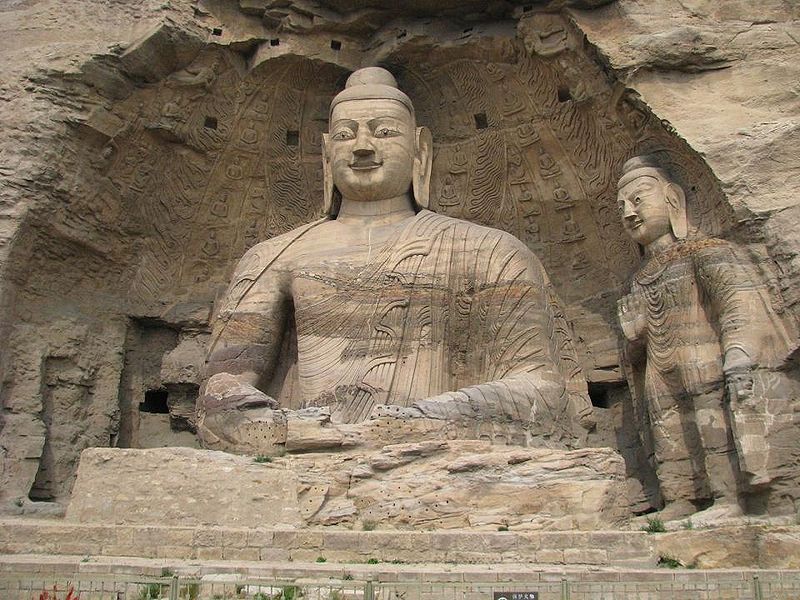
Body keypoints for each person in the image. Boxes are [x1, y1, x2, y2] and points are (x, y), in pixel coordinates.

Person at [197, 67, 593, 454]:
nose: (363, 146)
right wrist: (288, 428)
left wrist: (412, 421)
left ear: (421, 148)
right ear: (325, 151)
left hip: (437, 451)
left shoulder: (491, 251)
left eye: (384, 132)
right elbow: (221, 389)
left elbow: (544, 392)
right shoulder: (275, 257)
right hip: (307, 443)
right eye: (344, 135)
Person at [617, 154, 793, 520]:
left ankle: (728, 497)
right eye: (621, 206)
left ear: (673, 199)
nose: (629, 213)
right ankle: (680, 498)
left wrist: (739, 351)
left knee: (712, 426)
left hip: (704, 357)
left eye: (638, 200)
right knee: (668, 432)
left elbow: (737, 304)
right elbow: (635, 348)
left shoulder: (707, 252)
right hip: (660, 368)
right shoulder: (638, 277)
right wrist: (634, 337)